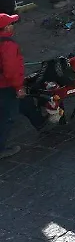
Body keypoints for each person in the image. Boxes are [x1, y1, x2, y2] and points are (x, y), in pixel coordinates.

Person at [0, 13, 25, 158]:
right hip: (5, 86)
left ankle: (40, 122)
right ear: (6, 27)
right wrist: (18, 87)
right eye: (11, 23)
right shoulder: (8, 45)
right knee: (7, 117)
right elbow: (11, 71)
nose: (13, 25)